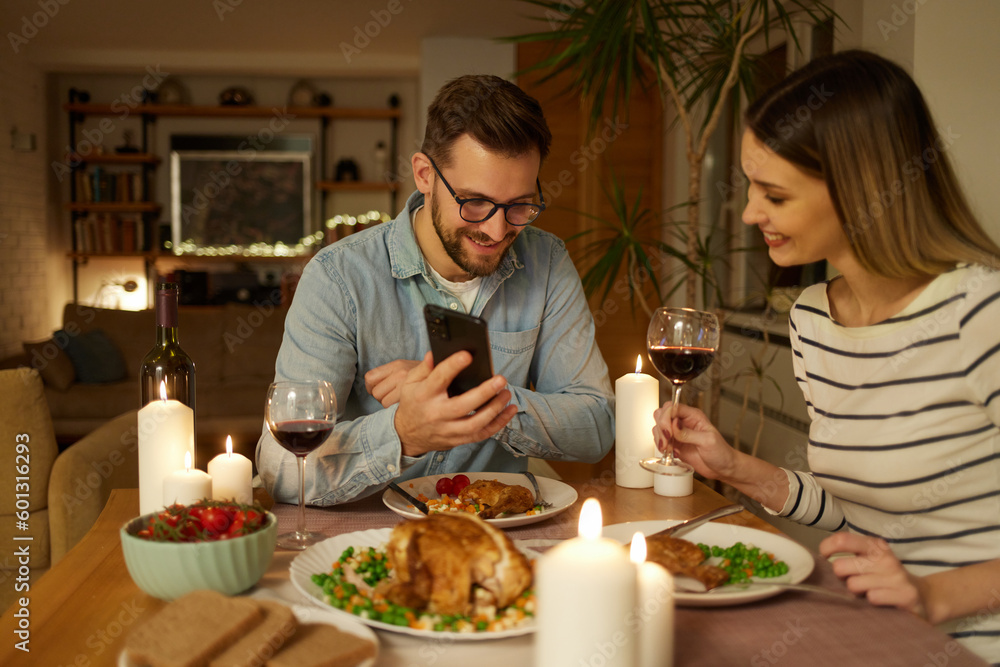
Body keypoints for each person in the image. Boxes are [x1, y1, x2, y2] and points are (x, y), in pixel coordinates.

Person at [652, 50, 1000, 663]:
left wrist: (932, 594)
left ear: (861, 189)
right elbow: (855, 503)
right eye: (751, 185)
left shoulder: (980, 312)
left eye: (775, 194)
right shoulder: (812, 318)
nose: (750, 211)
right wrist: (731, 466)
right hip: (866, 630)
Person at [257, 74, 614, 506]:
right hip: (369, 536)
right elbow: (281, 468)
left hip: (497, 535)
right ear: (425, 175)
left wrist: (467, 393)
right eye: (475, 202)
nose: (497, 230)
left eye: (520, 205)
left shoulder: (548, 261)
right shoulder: (338, 278)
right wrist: (404, 433)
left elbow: (597, 426)